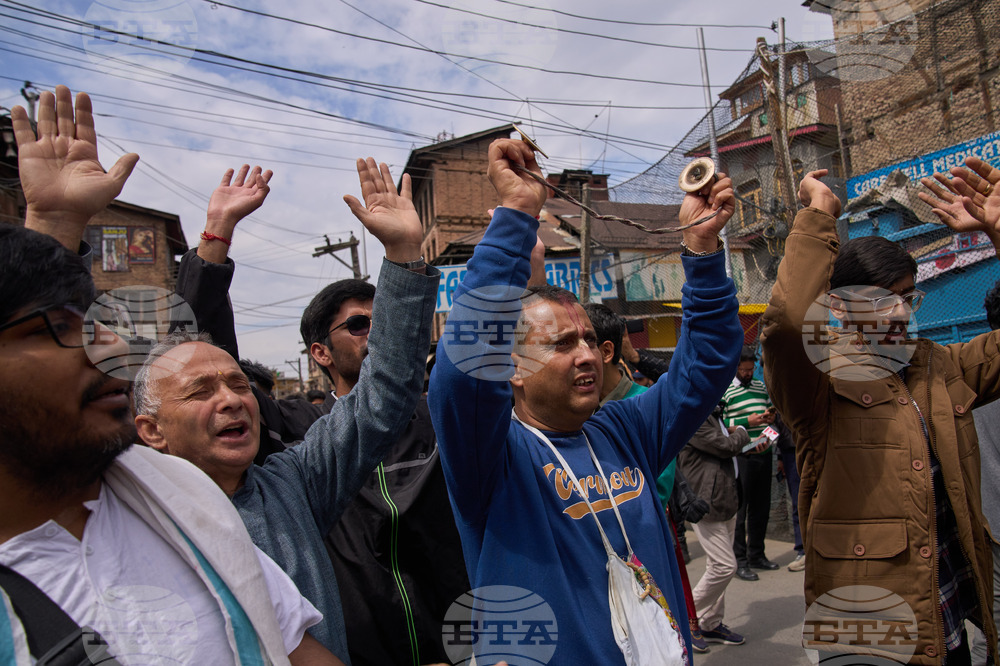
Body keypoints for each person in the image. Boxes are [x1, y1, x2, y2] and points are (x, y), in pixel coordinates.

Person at [0, 84, 339, 665]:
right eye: (60, 328)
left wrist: (57, 224)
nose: (108, 346)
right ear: (151, 426)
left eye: (237, 386)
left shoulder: (186, 508)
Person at [429, 137, 742, 664]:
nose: (587, 357)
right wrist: (516, 216)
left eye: (589, 342)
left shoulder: (625, 431)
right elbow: (462, 369)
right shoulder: (492, 460)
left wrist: (702, 249)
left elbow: (706, 364)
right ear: (513, 370)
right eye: (560, 344)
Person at [133, 156, 441, 664]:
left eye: (239, 384)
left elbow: (383, 391)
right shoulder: (128, 510)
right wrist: (215, 238)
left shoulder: (292, 484)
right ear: (150, 429)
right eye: (200, 392)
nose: (233, 399)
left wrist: (405, 254)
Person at [760, 166, 1000, 663]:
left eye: (907, 296)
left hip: (949, 612)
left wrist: (997, 232)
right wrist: (817, 215)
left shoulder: (938, 364)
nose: (897, 312)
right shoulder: (818, 380)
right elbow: (785, 324)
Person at [677, 403, 757, 651]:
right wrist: (743, 430)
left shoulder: (712, 414)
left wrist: (745, 442)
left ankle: (710, 623)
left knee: (717, 565)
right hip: (706, 501)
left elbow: (725, 446)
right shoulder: (695, 416)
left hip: (726, 497)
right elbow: (725, 446)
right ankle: (684, 619)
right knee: (725, 566)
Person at [723, 347, 777, 581]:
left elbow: (768, 416)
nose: (748, 373)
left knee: (761, 507)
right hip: (741, 454)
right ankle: (740, 560)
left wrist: (768, 425)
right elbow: (720, 424)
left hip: (762, 449)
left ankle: (757, 554)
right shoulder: (726, 391)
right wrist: (748, 421)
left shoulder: (759, 387)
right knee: (741, 509)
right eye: (744, 370)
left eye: (751, 369)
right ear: (736, 368)